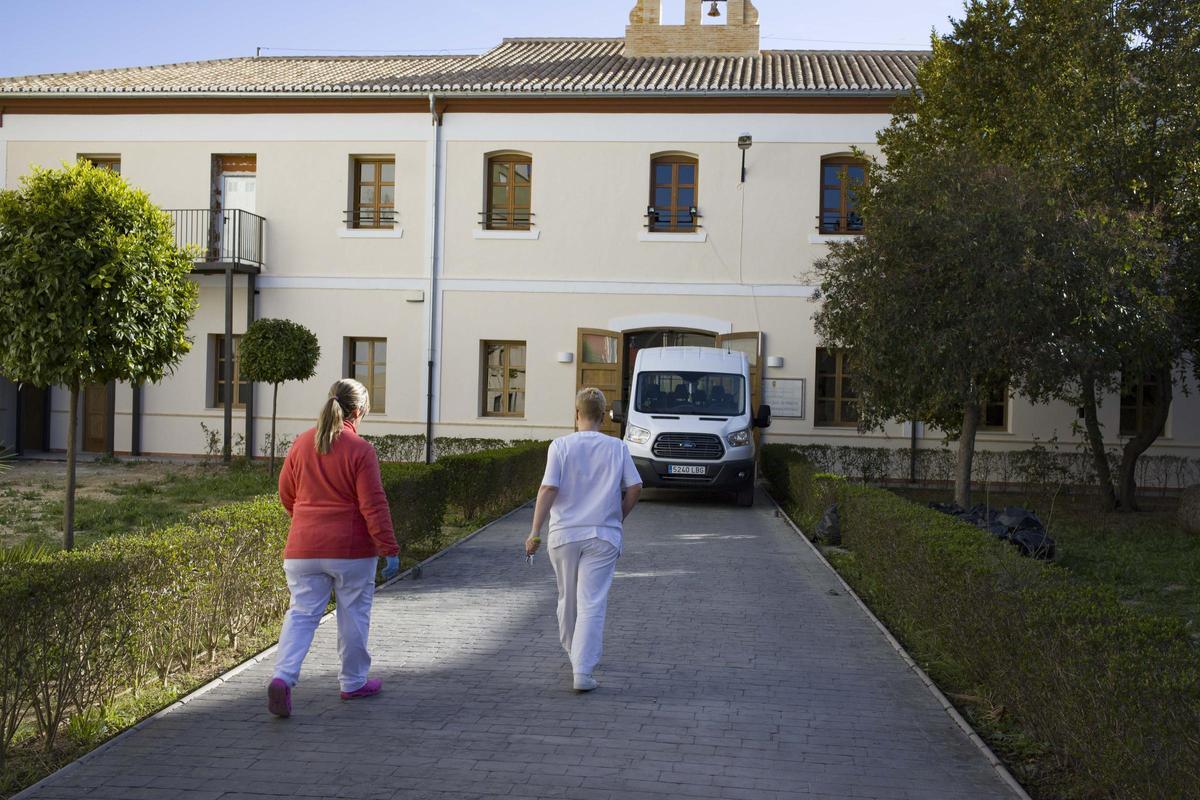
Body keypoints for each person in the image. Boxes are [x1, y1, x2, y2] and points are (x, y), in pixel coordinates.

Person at [267, 378, 400, 718]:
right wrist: (388, 547)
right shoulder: (360, 450)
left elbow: (286, 493)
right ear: (359, 411)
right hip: (351, 550)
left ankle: (282, 677)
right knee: (353, 614)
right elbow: (373, 504)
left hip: (302, 548)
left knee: (301, 614)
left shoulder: (301, 443)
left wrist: (307, 522)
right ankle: (353, 682)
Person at [526, 387, 642, 692]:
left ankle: (574, 652)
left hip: (564, 534)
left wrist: (535, 531)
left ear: (576, 414)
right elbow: (635, 487)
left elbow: (548, 489)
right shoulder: (617, 447)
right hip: (603, 535)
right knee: (592, 602)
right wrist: (617, 517)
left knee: (567, 598)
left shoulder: (560, 446)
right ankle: (583, 669)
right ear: (603, 416)